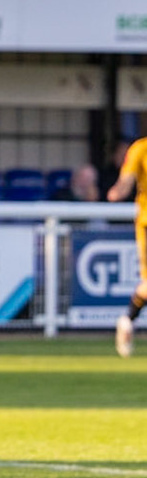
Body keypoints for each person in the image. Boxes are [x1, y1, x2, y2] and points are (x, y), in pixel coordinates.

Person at [105, 138, 147, 356]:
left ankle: (128, 319)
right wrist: (118, 192)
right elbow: (126, 179)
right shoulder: (140, 149)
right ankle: (127, 319)